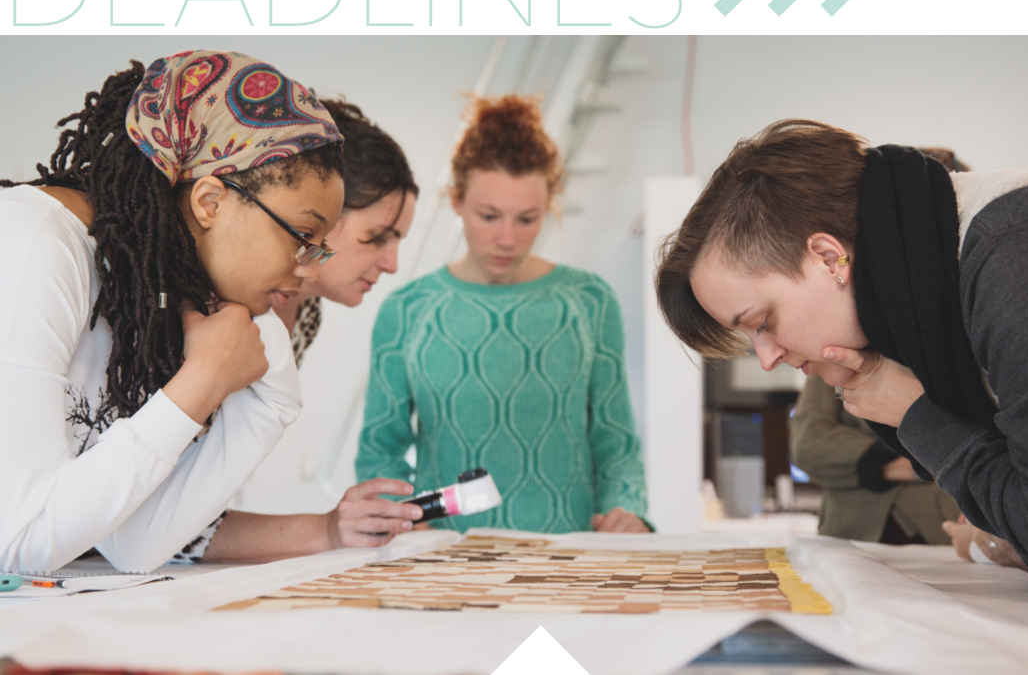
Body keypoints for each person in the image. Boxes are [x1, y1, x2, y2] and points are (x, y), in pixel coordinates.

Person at [655, 119, 1028, 591]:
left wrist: (919, 417)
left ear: (829, 257)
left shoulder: (1022, 257)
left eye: (762, 323)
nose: (768, 358)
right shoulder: (942, 289)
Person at [3, 50, 382, 572]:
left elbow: (133, 544)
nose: (308, 270)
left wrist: (272, 396)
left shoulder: (149, 290)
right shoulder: (33, 245)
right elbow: (18, 544)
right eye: (302, 236)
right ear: (209, 202)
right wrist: (201, 381)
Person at [355, 95, 649, 534]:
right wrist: (395, 516)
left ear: (550, 203)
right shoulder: (407, 311)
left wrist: (629, 510)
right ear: (456, 201)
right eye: (489, 216)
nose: (507, 238)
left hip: (568, 564)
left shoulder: (590, 301)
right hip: (444, 564)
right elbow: (381, 450)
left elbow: (616, 444)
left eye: (528, 219)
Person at [788, 149, 967, 546]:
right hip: (851, 534)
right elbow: (808, 443)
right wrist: (904, 463)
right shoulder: (841, 334)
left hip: (949, 535)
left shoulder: (973, 319)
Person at [268, 97, 424, 547]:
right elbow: (162, 517)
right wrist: (326, 530)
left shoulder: (307, 312)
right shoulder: (231, 310)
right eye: (376, 238)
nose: (392, 264)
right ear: (318, 215)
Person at [791, 374, 960, 543]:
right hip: (849, 529)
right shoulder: (833, 361)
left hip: (944, 527)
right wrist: (903, 466)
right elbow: (808, 443)